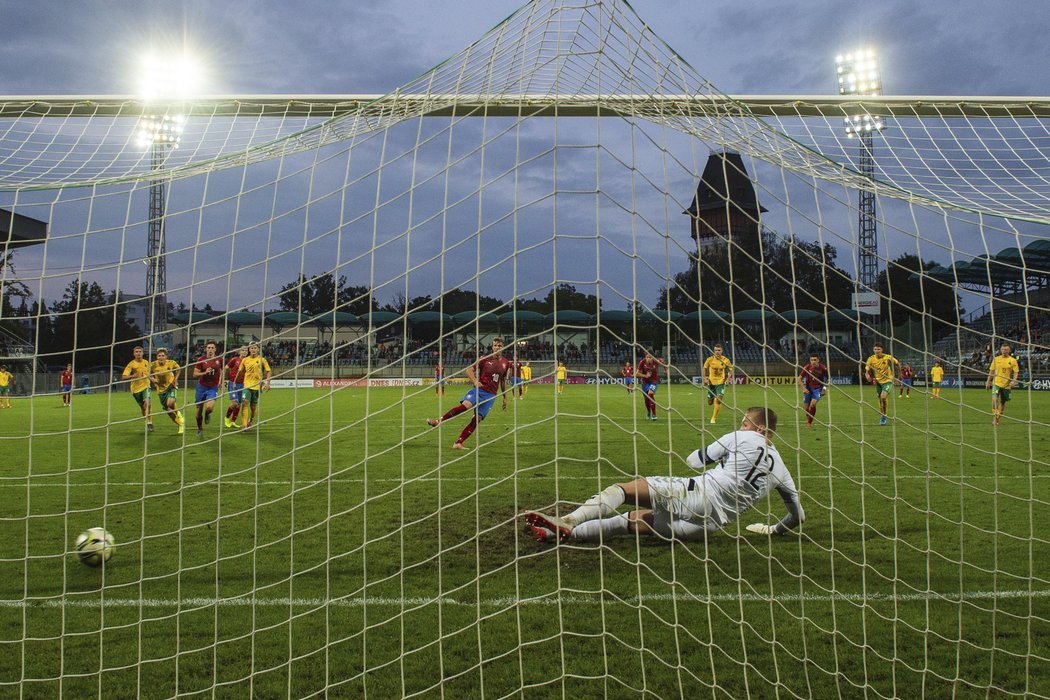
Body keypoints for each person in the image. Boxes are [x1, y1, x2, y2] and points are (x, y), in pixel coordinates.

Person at [525, 406, 803, 543]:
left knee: (623, 490)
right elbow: (797, 516)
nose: (742, 426)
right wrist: (773, 529)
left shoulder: (742, 438)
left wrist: (722, 454)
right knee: (629, 522)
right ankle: (558, 534)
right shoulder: (781, 470)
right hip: (707, 527)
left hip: (698, 494)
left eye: (745, 422)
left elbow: (695, 460)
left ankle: (567, 520)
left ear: (759, 429)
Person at [427, 337, 509, 449]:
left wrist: (505, 397)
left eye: (499, 345)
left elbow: (503, 381)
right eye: (495, 345)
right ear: (492, 347)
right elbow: (469, 370)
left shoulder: (506, 363)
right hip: (479, 390)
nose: (497, 348)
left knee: (477, 419)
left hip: (491, 395)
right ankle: (438, 421)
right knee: (466, 406)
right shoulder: (485, 359)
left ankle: (459, 442)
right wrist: (475, 381)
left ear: (503, 347)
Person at [235, 341, 271, 431]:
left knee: (253, 408)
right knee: (245, 403)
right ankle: (244, 426)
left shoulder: (262, 359)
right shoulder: (245, 360)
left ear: (258, 349)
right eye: (251, 348)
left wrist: (268, 383)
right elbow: (240, 372)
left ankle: (250, 420)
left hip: (257, 387)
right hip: (247, 385)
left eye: (255, 348)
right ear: (249, 349)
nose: (253, 349)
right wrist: (235, 382)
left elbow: (268, 371)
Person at [192, 340, 224, 437]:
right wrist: (204, 373)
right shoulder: (201, 360)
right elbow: (194, 374)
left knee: (209, 408)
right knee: (198, 410)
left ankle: (207, 414)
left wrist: (220, 381)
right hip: (201, 387)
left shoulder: (220, 359)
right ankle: (200, 429)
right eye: (208, 348)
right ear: (206, 349)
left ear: (215, 349)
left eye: (212, 348)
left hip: (213, 387)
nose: (210, 349)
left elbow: (222, 370)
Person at [150, 348, 185, 434]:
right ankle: (180, 424)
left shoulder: (171, 363)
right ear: (157, 357)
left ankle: (178, 414)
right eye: (159, 356)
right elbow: (146, 373)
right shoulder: (153, 365)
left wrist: (175, 379)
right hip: (161, 390)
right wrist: (153, 380)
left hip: (171, 386)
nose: (161, 357)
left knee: (170, 403)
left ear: (166, 357)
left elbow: (179, 369)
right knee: (168, 411)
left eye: (163, 355)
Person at [864, 343, 900, 426]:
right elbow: (867, 371)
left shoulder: (888, 357)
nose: (877, 351)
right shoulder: (870, 359)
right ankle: (883, 415)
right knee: (881, 400)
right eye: (875, 349)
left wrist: (898, 377)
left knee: (883, 396)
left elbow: (898, 364)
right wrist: (868, 377)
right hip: (878, 382)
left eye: (878, 349)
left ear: (882, 350)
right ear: (873, 350)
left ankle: (884, 416)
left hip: (888, 380)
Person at [985, 343, 1019, 426]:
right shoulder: (996, 359)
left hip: (1006, 384)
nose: (1004, 351)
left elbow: (1016, 372)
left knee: (1002, 402)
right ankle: (995, 417)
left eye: (1006, 349)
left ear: (1009, 350)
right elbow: (991, 371)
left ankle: (997, 419)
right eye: (1003, 349)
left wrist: (1014, 381)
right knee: (994, 400)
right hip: (996, 382)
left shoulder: (1013, 360)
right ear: (1001, 350)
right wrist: (988, 381)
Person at [121, 346, 153, 431]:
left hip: (146, 386)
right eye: (136, 352)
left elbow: (149, 374)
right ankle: (146, 421)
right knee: (143, 408)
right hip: (135, 389)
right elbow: (123, 377)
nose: (138, 353)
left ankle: (150, 423)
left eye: (140, 351)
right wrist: (132, 376)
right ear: (134, 354)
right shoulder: (131, 364)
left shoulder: (147, 363)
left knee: (147, 404)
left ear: (142, 353)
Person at [703, 343, 733, 424]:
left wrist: (728, 379)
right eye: (715, 350)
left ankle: (713, 418)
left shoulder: (726, 360)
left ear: (722, 351)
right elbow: (704, 368)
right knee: (710, 403)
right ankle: (711, 397)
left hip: (721, 382)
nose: (717, 352)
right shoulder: (709, 359)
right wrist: (705, 378)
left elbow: (730, 370)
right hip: (711, 382)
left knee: (719, 400)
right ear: (713, 351)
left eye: (719, 350)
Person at [798, 354, 829, 428]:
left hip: (818, 389)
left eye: (815, 360)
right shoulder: (807, 367)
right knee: (805, 408)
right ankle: (810, 417)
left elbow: (828, 379)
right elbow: (799, 378)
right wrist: (804, 388)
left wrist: (824, 389)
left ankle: (809, 423)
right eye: (812, 360)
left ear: (818, 360)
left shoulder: (823, 368)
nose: (813, 361)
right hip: (808, 388)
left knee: (813, 404)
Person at [224, 346, 247, 428]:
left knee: (239, 404)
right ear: (240, 351)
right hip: (233, 384)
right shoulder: (235, 360)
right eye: (243, 350)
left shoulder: (248, 361)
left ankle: (233, 421)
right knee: (235, 403)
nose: (244, 352)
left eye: (246, 350)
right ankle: (226, 418)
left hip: (243, 385)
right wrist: (225, 380)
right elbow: (226, 368)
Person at [635, 351, 663, 421]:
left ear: (652, 357)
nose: (648, 359)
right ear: (645, 357)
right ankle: (648, 411)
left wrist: (666, 370)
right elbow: (637, 373)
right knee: (646, 399)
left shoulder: (656, 361)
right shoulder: (642, 362)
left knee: (650, 394)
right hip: (645, 383)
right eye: (647, 357)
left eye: (650, 357)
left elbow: (663, 362)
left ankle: (654, 414)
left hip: (654, 382)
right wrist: (645, 376)